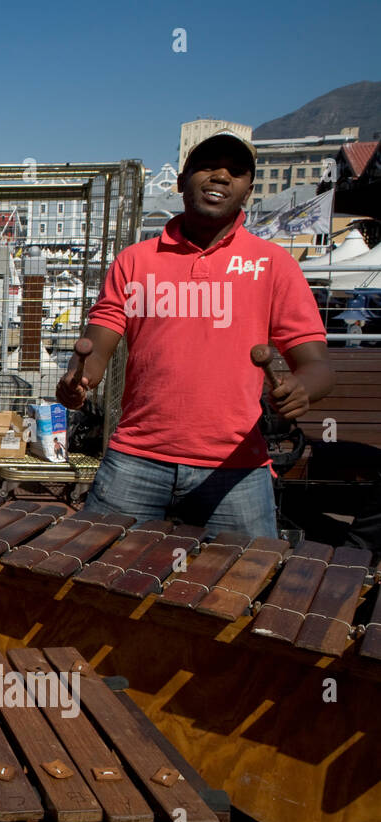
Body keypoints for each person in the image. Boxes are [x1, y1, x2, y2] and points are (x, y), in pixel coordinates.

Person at [56, 130, 334, 539]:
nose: (221, 176)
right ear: (182, 179)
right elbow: (96, 346)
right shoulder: (135, 262)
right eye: (207, 166)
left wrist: (301, 387)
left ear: (248, 190)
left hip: (236, 467)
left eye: (236, 172)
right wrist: (78, 378)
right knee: (92, 570)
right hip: (136, 457)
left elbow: (319, 366)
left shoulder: (274, 265)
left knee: (244, 588)